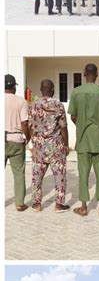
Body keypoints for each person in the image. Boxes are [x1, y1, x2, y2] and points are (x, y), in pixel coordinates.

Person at [68, 64, 99, 217]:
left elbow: (73, 116)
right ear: (96, 75)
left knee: (83, 173)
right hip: (98, 138)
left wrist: (81, 125)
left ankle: (83, 206)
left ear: (84, 74)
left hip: (83, 138)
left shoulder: (76, 92)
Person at [28, 79, 70, 213]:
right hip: (56, 145)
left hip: (39, 146)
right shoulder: (58, 105)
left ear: (41, 90)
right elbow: (63, 127)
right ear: (52, 89)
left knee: (37, 175)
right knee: (59, 175)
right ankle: (59, 204)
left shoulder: (34, 105)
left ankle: (36, 204)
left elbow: (30, 126)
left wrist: (33, 141)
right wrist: (66, 144)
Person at [5, 74, 30, 212]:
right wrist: (28, 137)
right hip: (16, 139)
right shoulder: (21, 101)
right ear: (14, 87)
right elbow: (24, 122)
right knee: (19, 173)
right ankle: (19, 203)